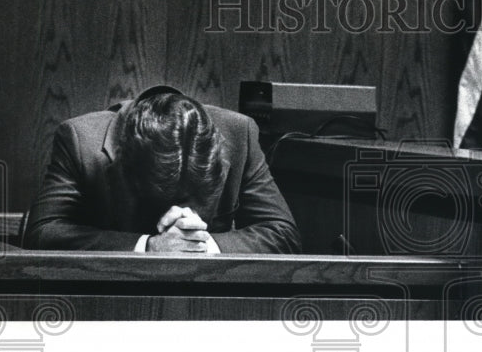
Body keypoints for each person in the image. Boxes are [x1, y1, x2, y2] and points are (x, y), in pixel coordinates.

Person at [23, 86, 301, 253]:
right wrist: (148, 246)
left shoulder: (240, 134)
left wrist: (201, 246)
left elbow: (283, 233)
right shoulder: (80, 138)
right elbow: (42, 231)